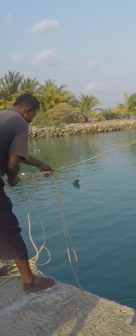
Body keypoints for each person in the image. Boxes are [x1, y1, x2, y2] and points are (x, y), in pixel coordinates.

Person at [0, 93, 55, 293]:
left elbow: (16, 153)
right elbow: (13, 163)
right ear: (27, 110)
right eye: (33, 116)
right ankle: (29, 281)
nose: (31, 120)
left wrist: (40, 164)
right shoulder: (20, 122)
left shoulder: (3, 116)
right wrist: (12, 178)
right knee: (9, 227)